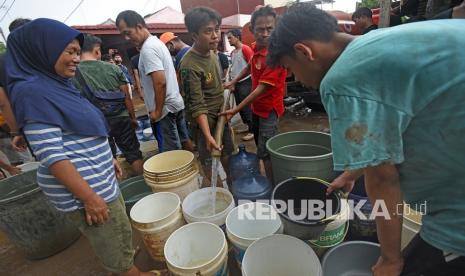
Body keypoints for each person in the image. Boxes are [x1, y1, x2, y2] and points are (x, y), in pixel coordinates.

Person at [267, 3, 465, 275]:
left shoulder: (342, 79)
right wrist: (351, 173)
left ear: (304, 52)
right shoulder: (377, 42)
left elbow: (383, 178)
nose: (293, 78)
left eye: (290, 69)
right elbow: (388, 129)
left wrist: (390, 258)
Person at [5, 18, 154, 276]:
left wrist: (109, 160)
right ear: (43, 51)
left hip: (99, 180)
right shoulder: (33, 93)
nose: (76, 58)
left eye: (77, 51)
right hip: (87, 190)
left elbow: (84, 134)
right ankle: (128, 270)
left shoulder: (57, 85)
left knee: (117, 231)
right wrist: (89, 198)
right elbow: (53, 157)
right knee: (109, 240)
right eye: (69, 52)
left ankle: (123, 260)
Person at [224, 5, 287, 181]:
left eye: (270, 29)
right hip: (257, 108)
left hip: (269, 110)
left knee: (267, 151)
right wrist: (233, 81)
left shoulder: (276, 56)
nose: (265, 34)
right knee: (260, 145)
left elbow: (261, 89)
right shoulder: (256, 48)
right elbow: (249, 67)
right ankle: (266, 177)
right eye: (260, 29)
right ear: (252, 30)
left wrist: (235, 110)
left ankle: (274, 185)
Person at [116, 10, 190, 152]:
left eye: (128, 32)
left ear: (139, 26)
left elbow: (160, 82)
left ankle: (180, 173)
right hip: (174, 103)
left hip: (165, 109)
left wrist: (157, 111)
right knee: (184, 140)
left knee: (172, 151)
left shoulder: (148, 49)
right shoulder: (156, 43)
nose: (126, 38)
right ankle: (193, 170)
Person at [73, 34, 143, 175]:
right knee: (133, 153)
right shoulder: (114, 68)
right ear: (97, 51)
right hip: (121, 117)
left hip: (96, 123)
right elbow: (127, 97)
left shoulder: (74, 72)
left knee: (107, 159)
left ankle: (117, 191)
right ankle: (143, 185)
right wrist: (132, 117)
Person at [178, 7, 235, 181]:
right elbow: (196, 104)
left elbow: (216, 85)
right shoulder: (189, 65)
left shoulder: (212, 53)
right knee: (209, 161)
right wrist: (208, 135)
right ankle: (217, 196)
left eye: (216, 29)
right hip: (203, 123)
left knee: (227, 154)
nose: (215, 35)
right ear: (194, 35)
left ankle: (232, 190)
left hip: (220, 116)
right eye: (208, 31)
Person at [226, 29, 254, 141]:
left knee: (246, 106)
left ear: (237, 37)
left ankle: (252, 130)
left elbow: (251, 67)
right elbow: (233, 69)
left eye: (230, 37)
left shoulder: (245, 49)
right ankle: (247, 126)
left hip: (246, 82)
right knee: (239, 106)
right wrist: (232, 83)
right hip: (237, 83)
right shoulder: (233, 53)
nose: (228, 40)